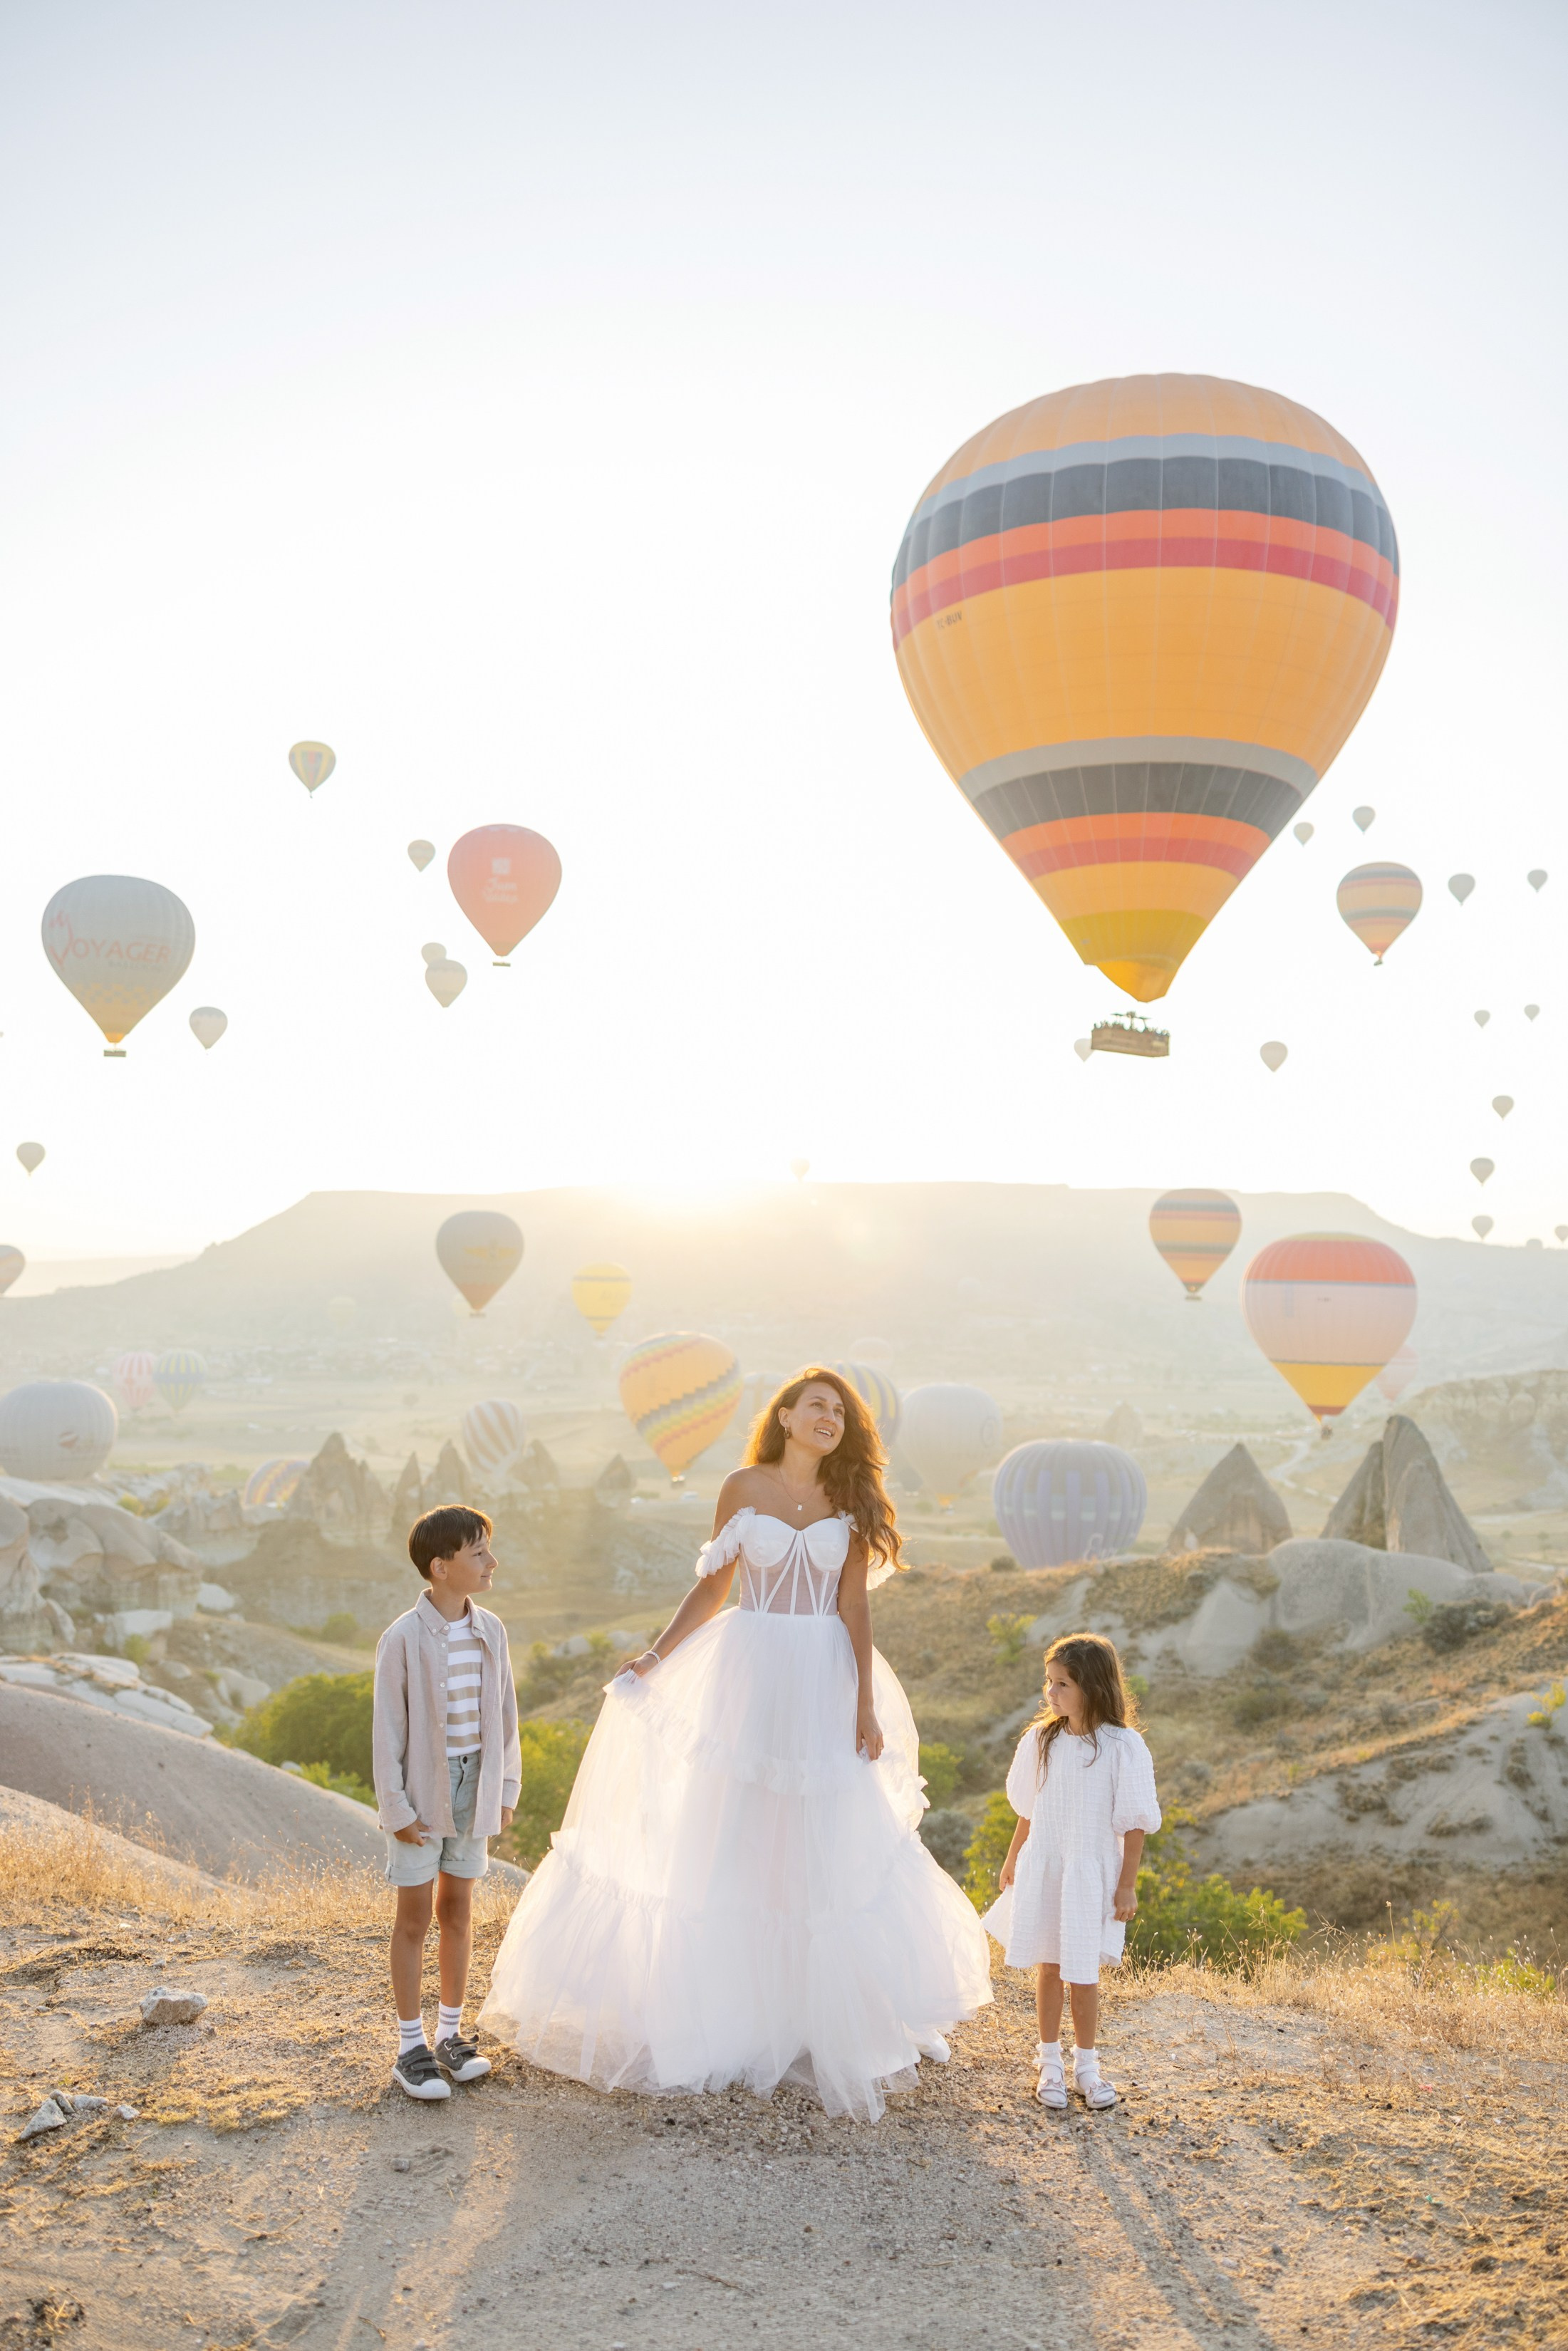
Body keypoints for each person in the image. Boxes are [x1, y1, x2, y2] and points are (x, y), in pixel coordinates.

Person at [479, 1369, 992, 2119]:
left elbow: (852, 1609)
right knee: (734, 1827)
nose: (828, 1417)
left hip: (820, 1673)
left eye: (840, 1412)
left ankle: (815, 2017)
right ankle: (730, 2014)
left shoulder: (850, 1501)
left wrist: (863, 1703)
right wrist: (654, 1657)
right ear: (784, 1416)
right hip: (745, 1669)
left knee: (818, 1840)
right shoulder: (742, 1487)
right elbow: (713, 1587)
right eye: (815, 1405)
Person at [373, 1504, 520, 2101]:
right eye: (478, 1552)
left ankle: (450, 2036)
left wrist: (505, 1788)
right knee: (413, 1918)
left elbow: (506, 1716)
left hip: (475, 1782)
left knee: (457, 1911)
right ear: (441, 1567)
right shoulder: (403, 1638)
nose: (491, 1562)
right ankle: (410, 2048)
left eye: (488, 1549)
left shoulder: (492, 1630)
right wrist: (397, 1809)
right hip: (420, 1790)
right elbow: (387, 1732)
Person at [982, 1632, 1160, 2112]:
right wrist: (1012, 1857)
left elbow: (1136, 1822)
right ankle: (1049, 2063)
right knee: (1049, 1964)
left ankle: (1087, 2066)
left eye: (1062, 1684)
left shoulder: (1123, 1747)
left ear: (1092, 1687)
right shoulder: (1041, 1741)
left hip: (1090, 1872)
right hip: (1045, 1863)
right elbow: (1028, 1808)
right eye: (1049, 1682)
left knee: (1083, 1972)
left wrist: (1126, 1885)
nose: (1051, 1693)